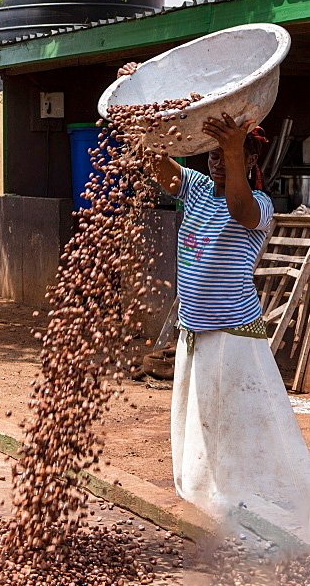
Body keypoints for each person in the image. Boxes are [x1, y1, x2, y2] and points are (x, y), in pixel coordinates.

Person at [120, 61, 310, 542]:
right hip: (195, 331)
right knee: (201, 423)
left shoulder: (260, 206)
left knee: (239, 424)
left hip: (234, 338)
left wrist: (233, 147)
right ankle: (206, 493)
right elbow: (160, 169)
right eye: (210, 157)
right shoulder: (200, 190)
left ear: (247, 162)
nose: (213, 165)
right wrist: (142, 107)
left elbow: (240, 210)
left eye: (224, 159)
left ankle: (249, 497)